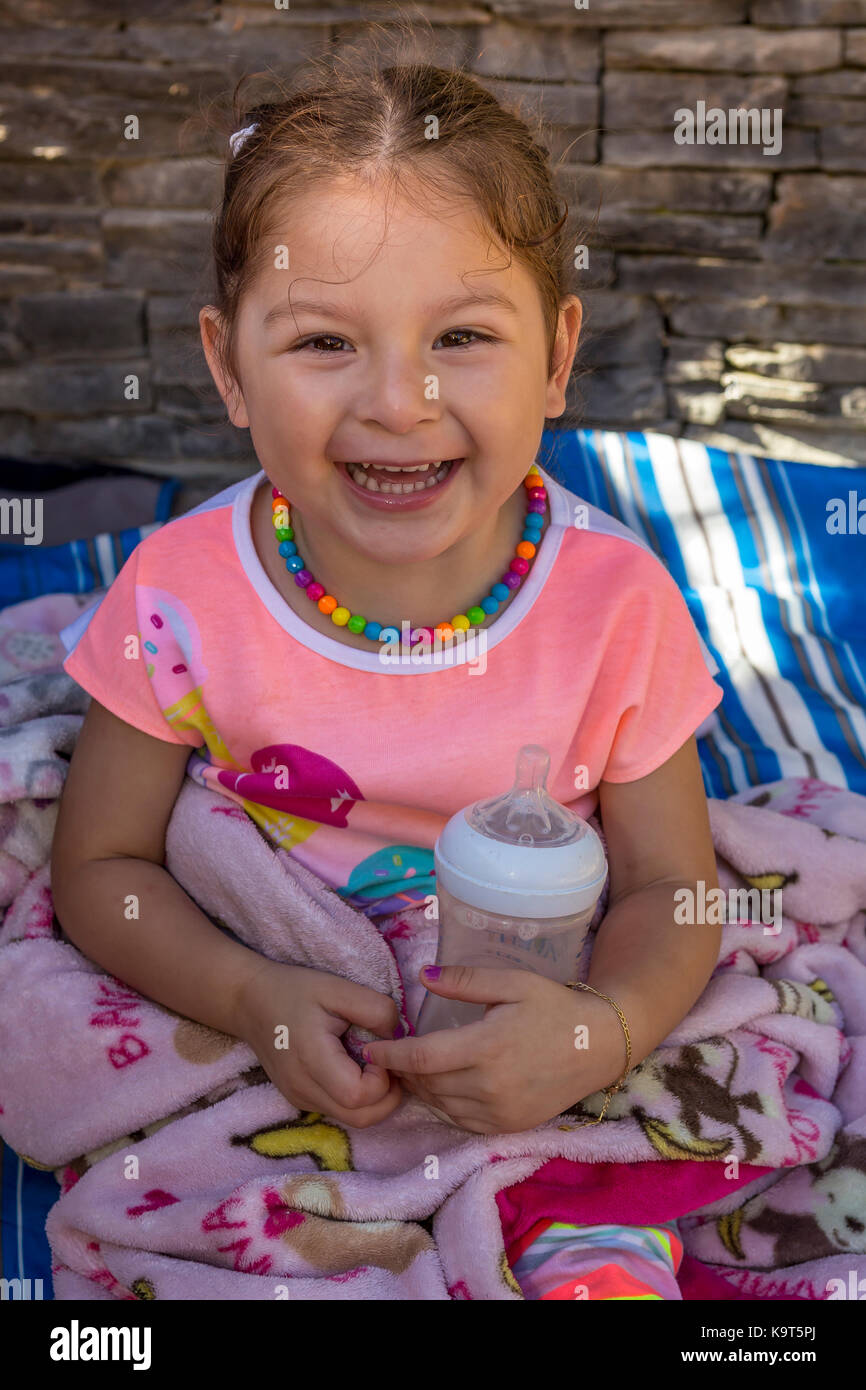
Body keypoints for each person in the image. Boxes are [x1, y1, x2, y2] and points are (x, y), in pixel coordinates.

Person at [51, 36, 723, 1300]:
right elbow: (100, 868)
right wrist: (250, 994)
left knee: (611, 1201)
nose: (399, 401)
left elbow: (677, 891)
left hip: (527, 1014)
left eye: (461, 335)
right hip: (281, 1020)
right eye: (321, 344)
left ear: (559, 355)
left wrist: (604, 1030)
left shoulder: (613, 601)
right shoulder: (181, 594)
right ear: (225, 364)